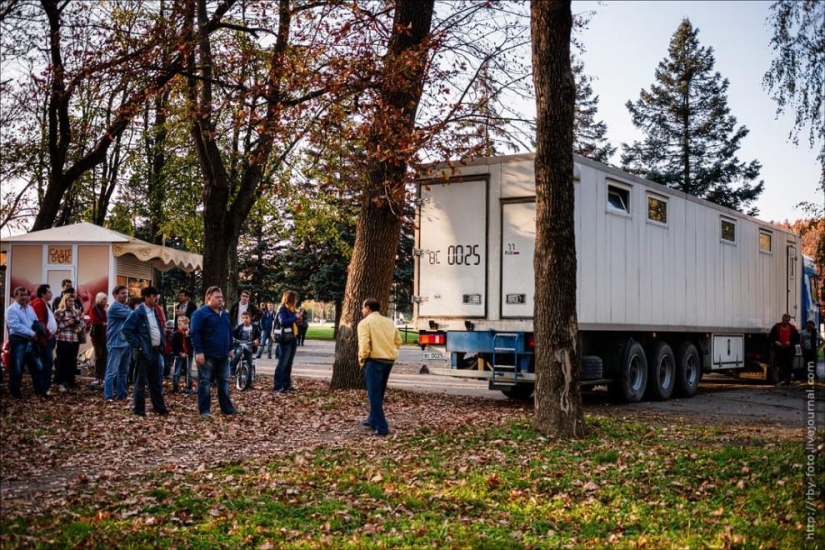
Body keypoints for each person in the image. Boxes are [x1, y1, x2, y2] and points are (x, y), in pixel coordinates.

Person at [190, 286, 238, 416]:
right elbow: (195, 333)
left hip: (223, 354)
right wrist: (199, 351)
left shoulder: (225, 314)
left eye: (221, 297)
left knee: (224, 381)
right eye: (217, 297)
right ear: (208, 298)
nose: (220, 299)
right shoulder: (200, 314)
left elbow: (229, 332)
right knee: (205, 382)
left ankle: (226, 408)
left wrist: (231, 348)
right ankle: (205, 410)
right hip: (207, 354)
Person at [121, 286, 169, 416]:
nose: (156, 299)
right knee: (140, 381)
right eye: (154, 296)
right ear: (147, 297)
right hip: (144, 352)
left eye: (157, 296)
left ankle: (159, 407)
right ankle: (139, 409)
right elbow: (126, 330)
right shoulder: (138, 313)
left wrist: (162, 342)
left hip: (156, 350)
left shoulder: (155, 311)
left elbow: (157, 328)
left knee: (156, 381)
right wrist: (138, 345)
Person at [357, 297, 401, 436]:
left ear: (368, 308)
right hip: (388, 360)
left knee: (373, 394)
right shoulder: (389, 322)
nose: (362, 310)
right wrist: (391, 351)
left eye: (363, 307)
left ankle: (382, 426)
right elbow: (398, 341)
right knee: (379, 392)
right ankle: (372, 419)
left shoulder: (365, 323)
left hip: (374, 360)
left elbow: (364, 343)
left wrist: (362, 358)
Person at [5, 287, 47, 398]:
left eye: (26, 295)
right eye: (21, 295)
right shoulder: (11, 310)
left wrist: (38, 331)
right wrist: (32, 333)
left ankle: (39, 390)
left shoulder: (30, 308)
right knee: (17, 367)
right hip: (18, 340)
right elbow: (15, 326)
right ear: (15, 296)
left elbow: (35, 321)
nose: (24, 297)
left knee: (37, 366)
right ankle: (15, 391)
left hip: (31, 341)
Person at [103, 285, 132, 402]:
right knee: (112, 371)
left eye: (126, 293)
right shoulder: (115, 307)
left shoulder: (125, 307)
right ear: (115, 295)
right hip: (116, 343)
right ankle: (108, 395)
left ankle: (122, 395)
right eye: (122, 293)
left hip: (126, 342)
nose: (125, 295)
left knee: (123, 371)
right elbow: (132, 315)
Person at [54, 293, 86, 392]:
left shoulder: (76, 312)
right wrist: (67, 323)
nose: (72, 303)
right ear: (65, 301)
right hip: (63, 339)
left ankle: (71, 381)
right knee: (62, 361)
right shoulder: (59, 312)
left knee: (72, 361)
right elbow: (55, 326)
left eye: (73, 301)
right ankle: (61, 381)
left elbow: (82, 323)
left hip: (74, 339)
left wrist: (79, 327)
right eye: (69, 301)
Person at [272, 290, 303, 394]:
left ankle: (286, 384)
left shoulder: (292, 309)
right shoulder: (283, 308)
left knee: (289, 363)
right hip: (285, 339)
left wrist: (298, 320)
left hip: (293, 338)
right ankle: (277, 386)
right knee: (282, 363)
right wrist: (295, 317)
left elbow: (293, 322)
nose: (296, 300)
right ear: (290, 299)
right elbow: (283, 321)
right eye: (295, 299)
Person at [31, 284, 57, 396]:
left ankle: (45, 387)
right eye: (49, 292)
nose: (51, 294)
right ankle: (42, 388)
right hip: (44, 339)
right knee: (46, 363)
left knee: (47, 363)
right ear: (43, 294)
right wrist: (46, 336)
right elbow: (40, 322)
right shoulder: (39, 304)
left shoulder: (46, 304)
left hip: (49, 338)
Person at [769, 313, 800, 385]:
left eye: (786, 321)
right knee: (780, 364)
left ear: (789, 321)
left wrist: (790, 342)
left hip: (789, 349)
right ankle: (781, 379)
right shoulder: (777, 327)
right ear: (782, 319)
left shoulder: (792, 328)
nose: (785, 322)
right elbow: (771, 336)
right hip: (779, 349)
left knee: (788, 364)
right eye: (784, 320)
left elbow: (796, 339)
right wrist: (775, 341)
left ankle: (787, 379)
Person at [231, 311, 261, 378]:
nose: (245, 319)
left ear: (250, 318)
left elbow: (259, 336)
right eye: (243, 318)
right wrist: (233, 340)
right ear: (241, 319)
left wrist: (257, 340)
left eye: (247, 318)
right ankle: (232, 369)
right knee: (238, 353)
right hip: (240, 345)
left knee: (249, 362)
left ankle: (249, 378)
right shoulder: (239, 327)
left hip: (250, 346)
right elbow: (233, 335)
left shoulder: (254, 327)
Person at [88, 292, 108, 388]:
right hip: (97, 336)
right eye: (103, 299)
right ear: (99, 300)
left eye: (106, 299)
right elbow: (94, 319)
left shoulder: (105, 309)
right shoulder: (94, 309)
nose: (105, 301)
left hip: (105, 336)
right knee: (98, 356)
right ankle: (97, 377)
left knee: (105, 357)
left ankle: (103, 376)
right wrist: (103, 323)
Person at [171, 316, 194, 394]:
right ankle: (175, 388)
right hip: (179, 356)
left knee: (189, 372)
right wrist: (180, 353)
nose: (187, 325)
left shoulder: (188, 335)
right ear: (180, 324)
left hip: (188, 356)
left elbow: (191, 345)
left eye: (188, 324)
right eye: (185, 324)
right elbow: (174, 346)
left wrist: (188, 337)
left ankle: (189, 387)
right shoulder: (176, 334)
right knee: (177, 372)